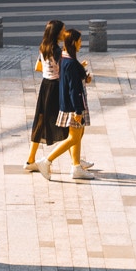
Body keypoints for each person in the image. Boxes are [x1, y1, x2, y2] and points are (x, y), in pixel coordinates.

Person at [41, 27, 94, 179]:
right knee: (74, 137)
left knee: (78, 133)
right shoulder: (70, 62)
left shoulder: (65, 58)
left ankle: (76, 165)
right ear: (73, 42)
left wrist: (84, 76)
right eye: (79, 41)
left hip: (72, 103)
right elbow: (73, 89)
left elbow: (72, 81)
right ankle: (47, 161)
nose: (81, 43)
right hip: (74, 105)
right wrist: (78, 111)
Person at [23, 18, 65, 173]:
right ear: (56, 33)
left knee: (40, 122)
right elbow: (63, 71)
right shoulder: (57, 51)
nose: (64, 33)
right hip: (56, 87)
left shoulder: (43, 47)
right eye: (62, 30)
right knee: (68, 124)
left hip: (45, 86)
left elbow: (37, 67)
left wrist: (49, 70)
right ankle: (76, 161)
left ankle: (30, 160)